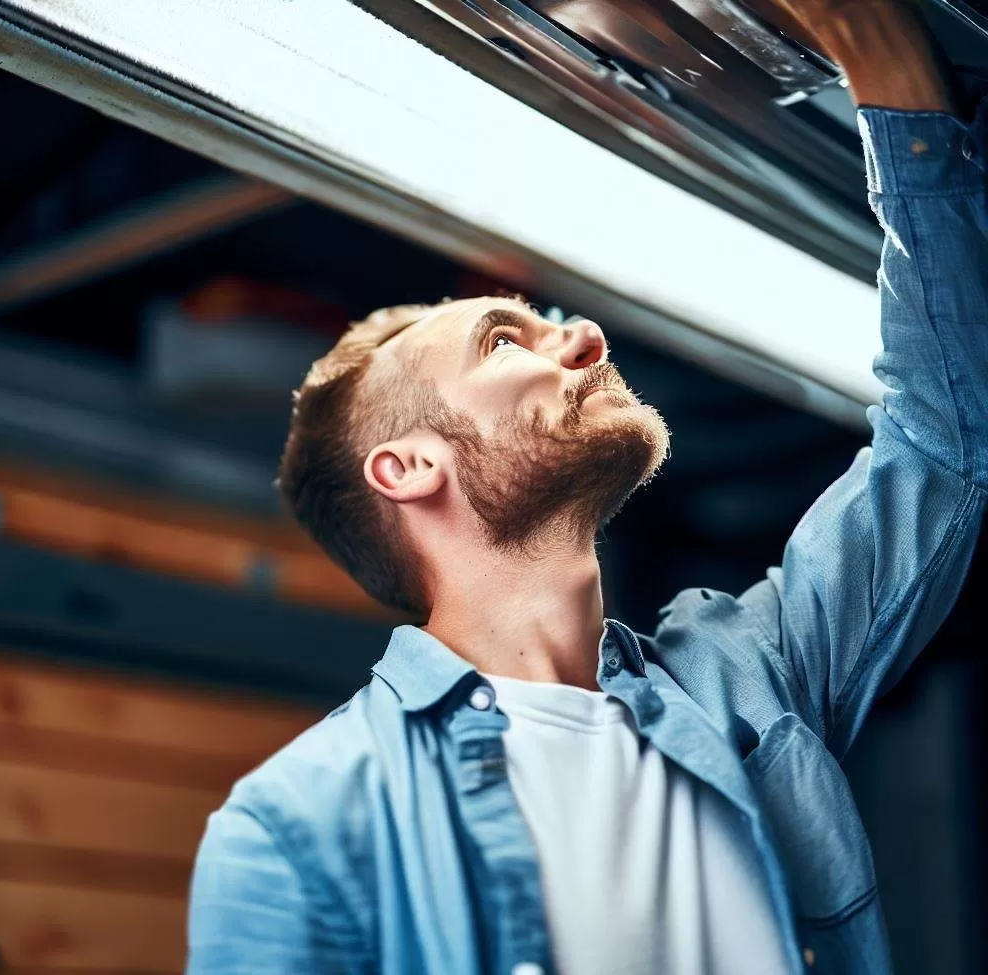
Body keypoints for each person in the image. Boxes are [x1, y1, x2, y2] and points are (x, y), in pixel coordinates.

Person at [186, 0, 987, 972]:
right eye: (504, 340)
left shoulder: (744, 680)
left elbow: (944, 441)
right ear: (407, 468)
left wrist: (889, 75)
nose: (584, 339)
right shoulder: (300, 826)